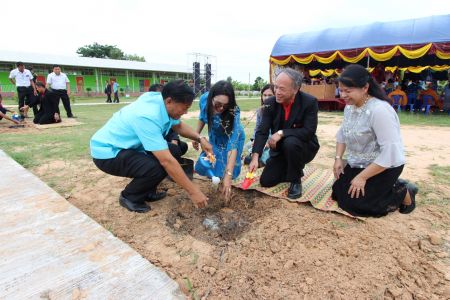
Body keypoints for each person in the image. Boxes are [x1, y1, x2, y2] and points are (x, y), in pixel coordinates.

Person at [90, 80, 213, 213]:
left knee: (173, 151)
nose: (185, 112)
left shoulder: (160, 100)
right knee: (157, 166)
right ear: (169, 101)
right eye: (184, 108)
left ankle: (146, 190)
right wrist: (193, 192)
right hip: (108, 153)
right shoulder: (147, 116)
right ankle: (129, 197)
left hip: (127, 147)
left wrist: (200, 139)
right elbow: (166, 161)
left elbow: (177, 125)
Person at [332, 64, 417, 217]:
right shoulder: (349, 108)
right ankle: (384, 185)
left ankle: (404, 191)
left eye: (348, 91)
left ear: (365, 88)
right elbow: (342, 134)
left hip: (385, 164)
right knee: (338, 192)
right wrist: (338, 159)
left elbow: (390, 152)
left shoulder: (380, 110)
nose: (343, 95)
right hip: (360, 163)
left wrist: (362, 177)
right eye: (341, 90)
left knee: (359, 205)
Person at [248, 68, 320, 199]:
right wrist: (255, 157)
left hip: (303, 147)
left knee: (290, 141)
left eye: (282, 89)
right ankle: (292, 167)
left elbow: (308, 132)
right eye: (276, 87)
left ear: (296, 89)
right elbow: (262, 132)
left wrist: (281, 133)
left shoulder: (309, 102)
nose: (277, 92)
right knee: (266, 181)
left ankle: (296, 180)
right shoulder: (270, 103)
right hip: (280, 149)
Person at [192, 80, 246, 200]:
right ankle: (219, 187)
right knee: (214, 161)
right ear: (211, 98)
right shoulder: (204, 100)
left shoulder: (234, 112)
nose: (221, 108)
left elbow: (232, 146)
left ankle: (225, 191)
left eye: (225, 106)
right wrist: (196, 135)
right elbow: (203, 117)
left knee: (227, 168)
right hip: (215, 136)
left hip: (232, 138)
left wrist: (228, 176)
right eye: (218, 104)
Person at [243, 84, 274, 166]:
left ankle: (262, 160)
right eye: (265, 95)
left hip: (272, 140)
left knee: (268, 152)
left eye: (270, 95)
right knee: (246, 147)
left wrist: (268, 142)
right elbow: (257, 128)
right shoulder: (260, 111)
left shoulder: (278, 111)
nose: (267, 98)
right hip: (261, 137)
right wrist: (254, 140)